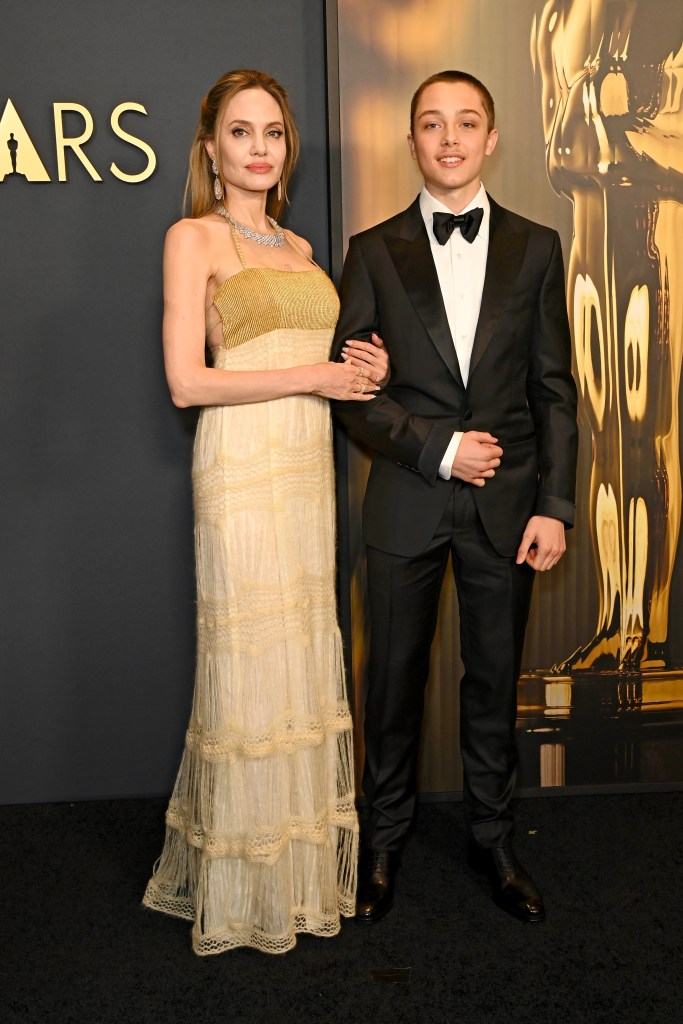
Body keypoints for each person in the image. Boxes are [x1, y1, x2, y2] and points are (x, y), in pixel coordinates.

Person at [142, 69, 388, 956]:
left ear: (286, 148)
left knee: (298, 655)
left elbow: (315, 362)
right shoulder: (191, 238)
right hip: (241, 467)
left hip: (302, 467)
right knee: (249, 668)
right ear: (210, 147)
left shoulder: (304, 250)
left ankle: (295, 877)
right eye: (241, 132)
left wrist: (358, 372)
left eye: (273, 133)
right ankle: (244, 889)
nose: (258, 148)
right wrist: (313, 375)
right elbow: (185, 382)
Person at [331, 70, 578, 925]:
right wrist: (439, 449)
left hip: (509, 511)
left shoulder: (538, 246)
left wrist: (554, 504)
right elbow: (352, 391)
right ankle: (384, 842)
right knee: (391, 685)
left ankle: (493, 840)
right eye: (431, 125)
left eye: (465, 123)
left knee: (492, 683)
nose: (448, 139)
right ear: (410, 142)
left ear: (491, 137)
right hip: (405, 499)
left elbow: (555, 390)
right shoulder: (370, 250)